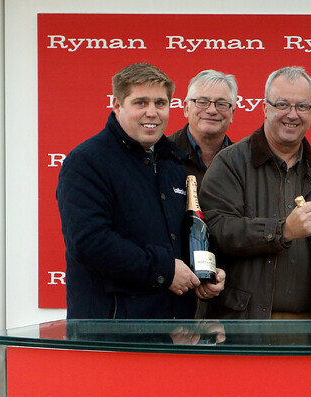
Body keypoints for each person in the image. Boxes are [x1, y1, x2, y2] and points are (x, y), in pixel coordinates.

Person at [56, 63, 225, 319]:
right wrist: (165, 271)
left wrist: (203, 273)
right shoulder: (87, 161)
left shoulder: (173, 164)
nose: (152, 113)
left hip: (173, 332)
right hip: (111, 335)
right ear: (117, 105)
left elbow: (178, 242)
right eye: (140, 103)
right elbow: (89, 242)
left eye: (160, 103)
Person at [199, 67, 311, 319]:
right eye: (282, 104)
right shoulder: (230, 163)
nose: (292, 114)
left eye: (302, 106)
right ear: (265, 108)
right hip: (246, 325)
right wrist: (282, 231)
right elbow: (216, 230)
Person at [168, 70, 237, 183]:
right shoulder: (161, 154)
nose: (212, 110)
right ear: (186, 108)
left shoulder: (243, 161)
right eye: (202, 102)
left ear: (232, 113)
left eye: (221, 104)